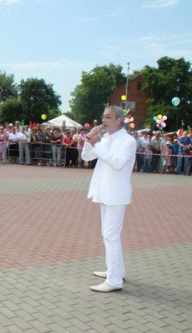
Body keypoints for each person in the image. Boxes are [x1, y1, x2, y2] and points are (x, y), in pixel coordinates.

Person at [82, 106, 136, 293]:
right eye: (103, 116)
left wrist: (97, 144)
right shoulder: (105, 139)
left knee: (111, 235)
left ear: (119, 120)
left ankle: (114, 281)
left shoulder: (128, 141)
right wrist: (89, 142)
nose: (103, 120)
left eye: (108, 117)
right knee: (108, 234)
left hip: (116, 194)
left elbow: (118, 163)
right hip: (104, 192)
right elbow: (86, 158)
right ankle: (115, 271)